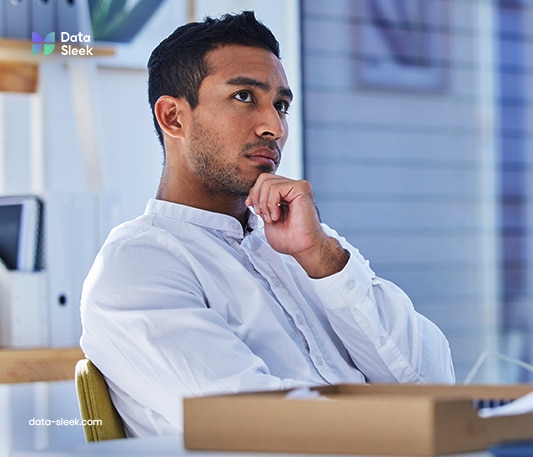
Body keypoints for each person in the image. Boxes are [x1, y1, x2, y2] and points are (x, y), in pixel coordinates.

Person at [79, 11, 455, 438]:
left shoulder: (305, 244)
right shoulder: (139, 265)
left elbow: (432, 385)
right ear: (173, 118)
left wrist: (324, 260)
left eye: (281, 105)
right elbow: (258, 424)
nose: (274, 127)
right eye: (244, 97)